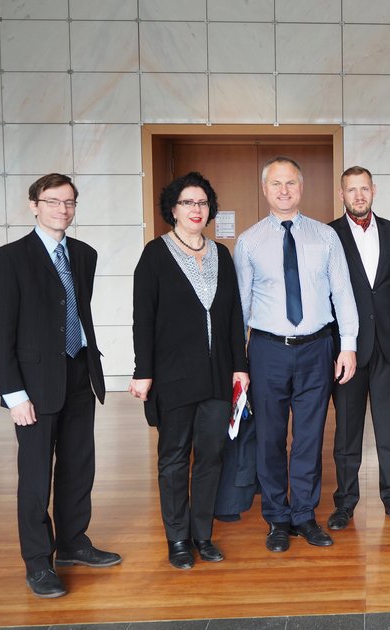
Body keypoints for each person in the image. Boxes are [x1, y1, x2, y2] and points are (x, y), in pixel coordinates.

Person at [0, 173, 119, 598]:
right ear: (33, 204)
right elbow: (1, 332)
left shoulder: (84, 254)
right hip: (33, 383)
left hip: (79, 370)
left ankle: (72, 544)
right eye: (52, 201)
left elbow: (74, 309)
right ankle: (37, 562)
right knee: (34, 477)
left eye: (69, 202)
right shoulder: (8, 259)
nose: (61, 209)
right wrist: (13, 394)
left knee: (78, 466)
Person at [235, 156, 358, 551]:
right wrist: (239, 364)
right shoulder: (250, 241)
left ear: (301, 188)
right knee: (270, 438)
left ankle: (304, 514)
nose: (284, 190)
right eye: (276, 184)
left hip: (317, 349)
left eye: (291, 183)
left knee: (309, 438)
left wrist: (348, 346)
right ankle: (277, 518)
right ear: (265, 189)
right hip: (268, 351)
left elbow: (343, 295)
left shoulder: (325, 237)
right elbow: (239, 306)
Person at [129, 172, 249, 570]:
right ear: (173, 209)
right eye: (187, 203)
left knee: (212, 455)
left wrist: (240, 368)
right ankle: (178, 538)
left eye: (202, 203)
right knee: (175, 458)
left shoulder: (222, 254)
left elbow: (234, 317)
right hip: (173, 376)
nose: (196, 210)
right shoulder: (155, 254)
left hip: (217, 377)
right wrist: (142, 371)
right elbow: (142, 318)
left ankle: (202, 534)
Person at [327, 166, 390, 530]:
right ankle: (345, 503)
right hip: (347, 350)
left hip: (389, 347)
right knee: (347, 432)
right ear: (341, 193)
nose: (358, 196)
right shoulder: (329, 235)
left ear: (374, 190)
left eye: (364, 188)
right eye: (351, 190)